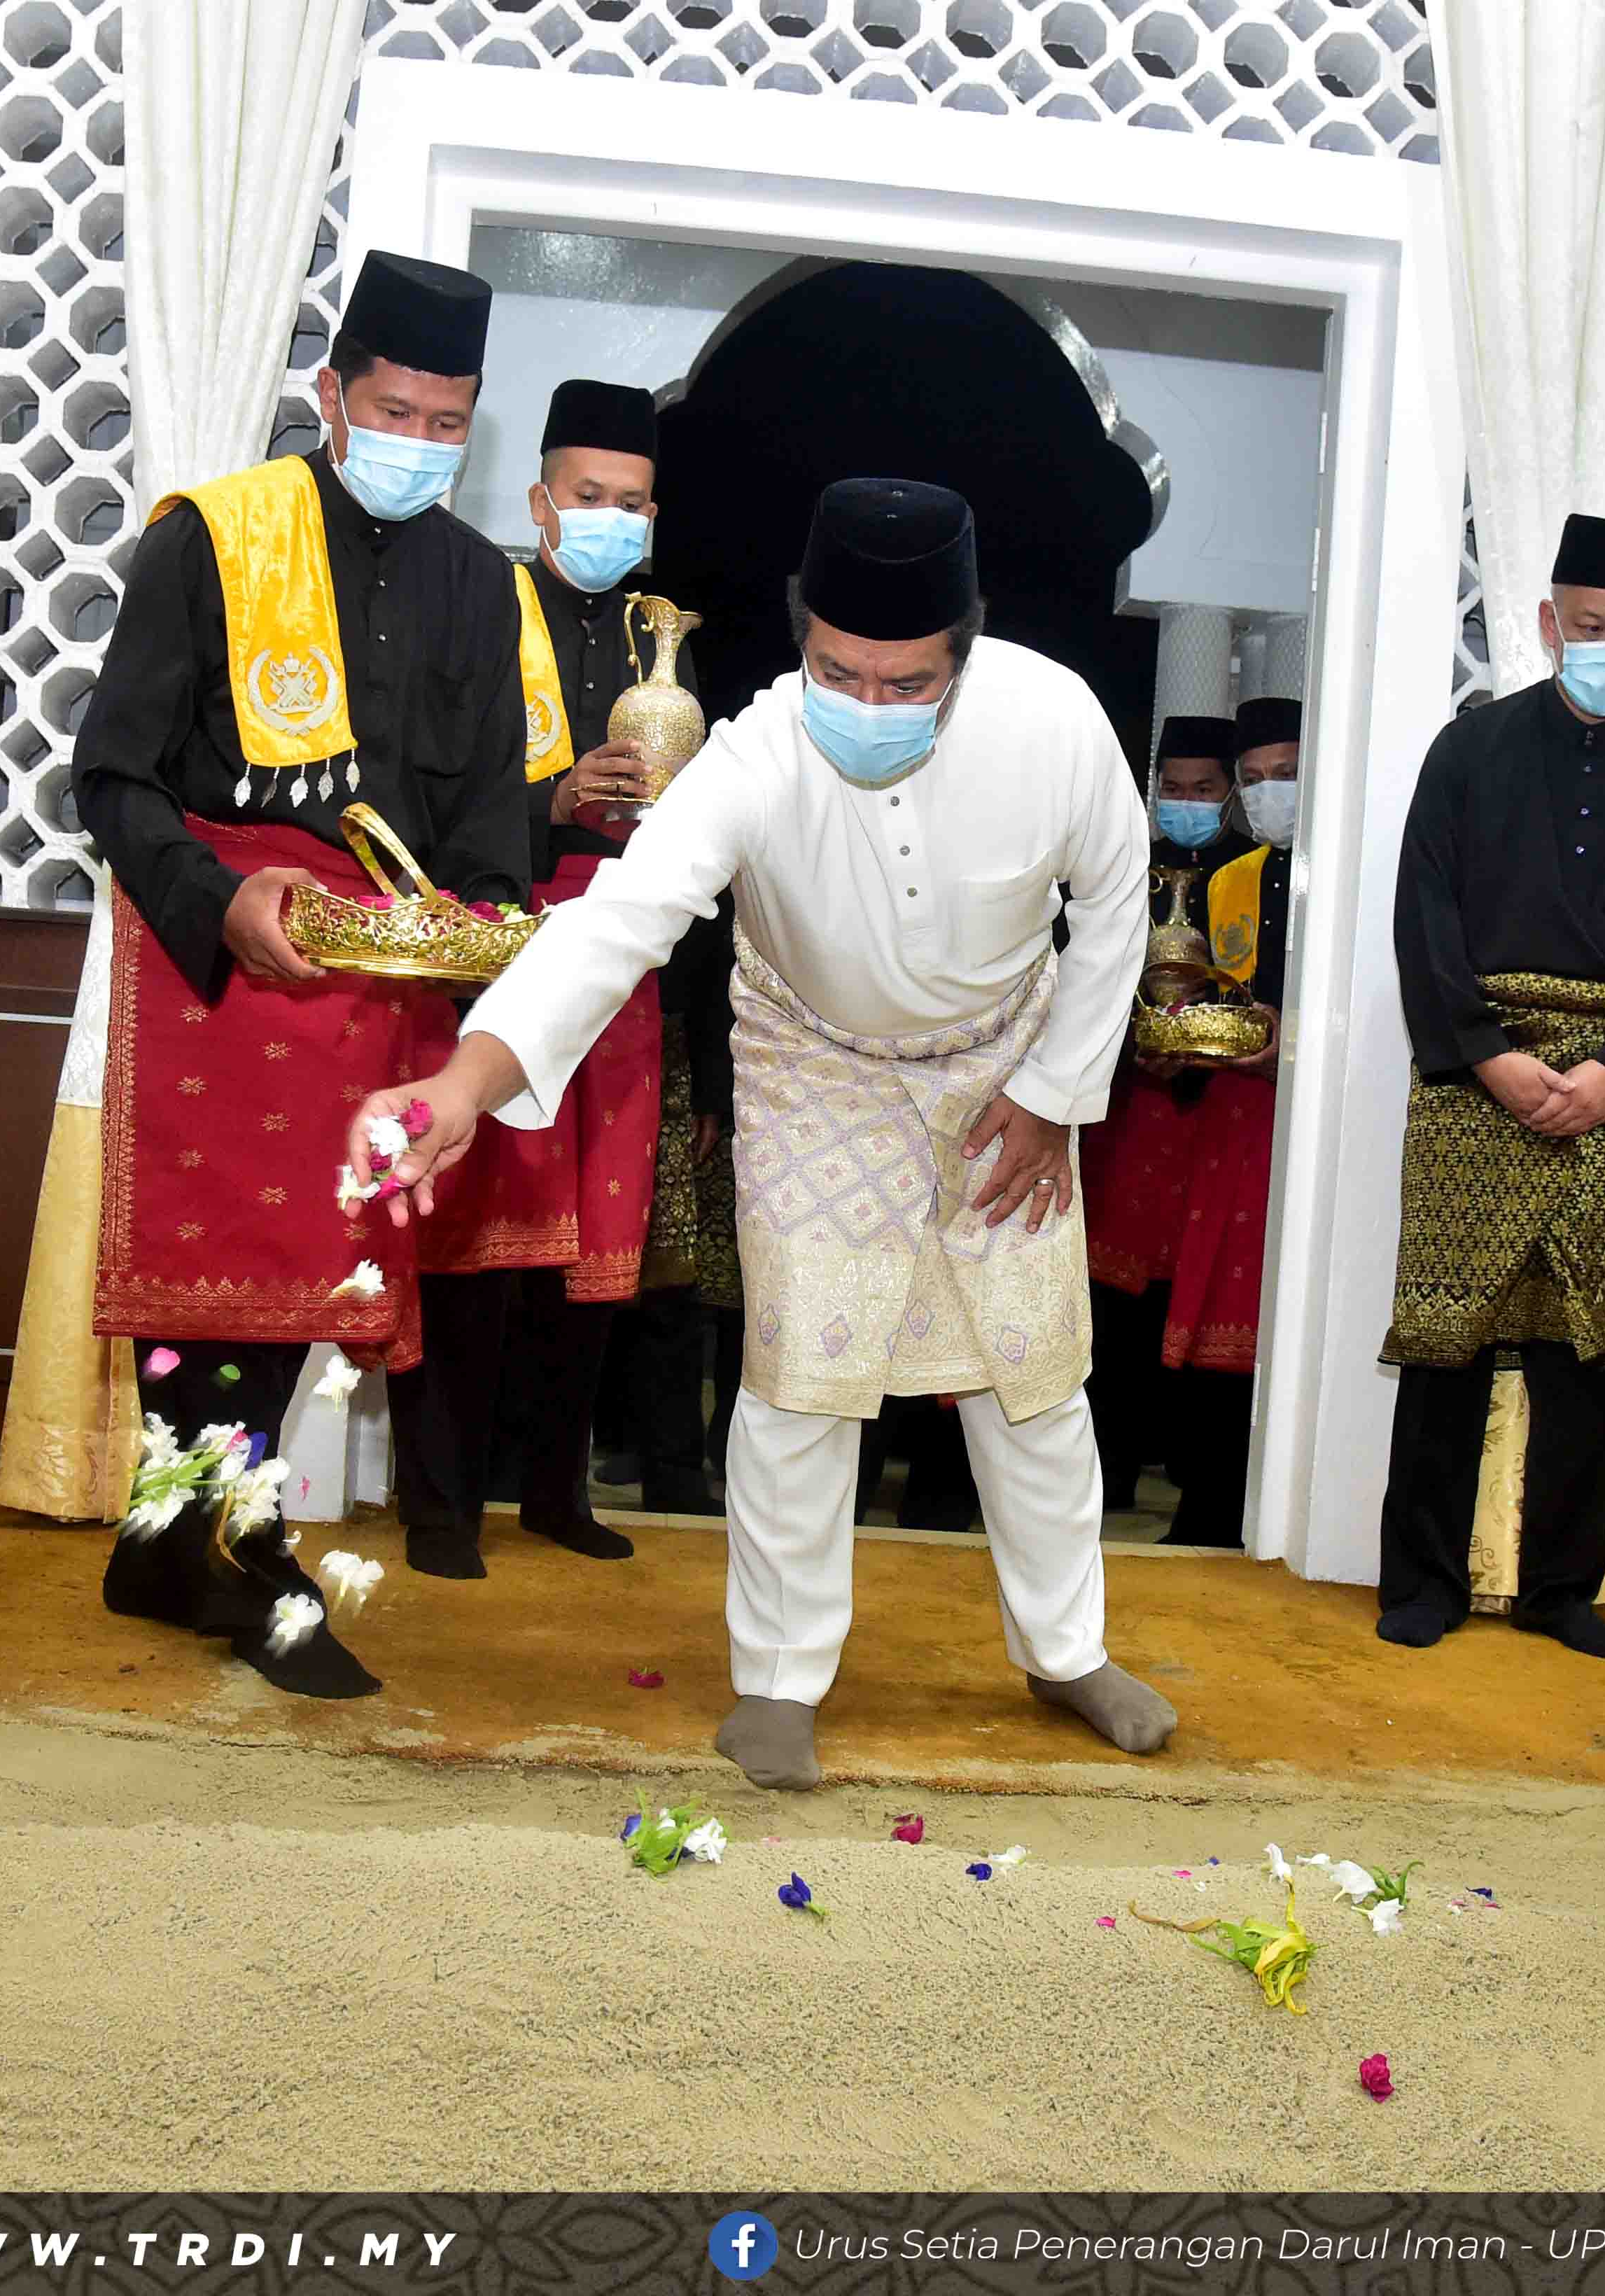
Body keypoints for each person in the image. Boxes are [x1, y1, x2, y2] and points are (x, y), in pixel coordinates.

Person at [351, 479, 1177, 1790]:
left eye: (908, 683)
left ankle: (1067, 1652)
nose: (869, 704)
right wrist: (461, 1085)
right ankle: (781, 1680)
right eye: (839, 672)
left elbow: (1118, 904)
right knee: (801, 1374)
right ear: (803, 640)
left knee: (1031, 1376)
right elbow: (615, 925)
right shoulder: (754, 755)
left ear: (964, 651)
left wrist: (1056, 1091)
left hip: (1005, 1068)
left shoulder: (1054, 720)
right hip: (814, 1065)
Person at [74, 249, 539, 1696]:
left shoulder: (480, 583)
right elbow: (112, 774)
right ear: (331, 394)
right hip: (223, 945)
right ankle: (239, 1548)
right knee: (212, 1267)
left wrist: (482, 939)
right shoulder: (212, 540)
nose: (417, 442)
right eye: (393, 411)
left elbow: (488, 817)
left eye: (447, 423)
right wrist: (217, 901)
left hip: (376, 968)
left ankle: (167, 1541)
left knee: (317, 1262)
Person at [1376, 512, 1605, 1660]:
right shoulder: (1468, 750)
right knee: (1446, 1337)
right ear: (1547, 622)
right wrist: (1486, 1054)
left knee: (1589, 1347)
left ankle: (1559, 1591)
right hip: (1475, 1073)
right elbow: (1424, 918)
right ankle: (1423, 1581)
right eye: (1592, 626)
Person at [425, 378, 707, 1556]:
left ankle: (556, 1492)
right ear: (540, 504)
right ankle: (445, 1506)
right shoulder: (481, 611)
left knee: (594, 1244)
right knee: (482, 1241)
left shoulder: (667, 637)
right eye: (589, 496)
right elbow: (426, 793)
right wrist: (551, 802)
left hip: (627, 967)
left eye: (631, 503)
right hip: (504, 945)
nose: (611, 519)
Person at [1081, 710, 1281, 1544]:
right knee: (1110, 1303)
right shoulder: (1127, 864)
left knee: (1199, 1297)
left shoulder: (1251, 876)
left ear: (1226, 795)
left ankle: (1193, 1480)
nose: (1186, 803)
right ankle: (1107, 1473)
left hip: (1219, 1116)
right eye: (1173, 788)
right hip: (1130, 1108)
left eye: (1205, 789)